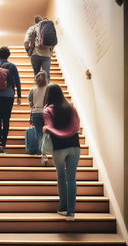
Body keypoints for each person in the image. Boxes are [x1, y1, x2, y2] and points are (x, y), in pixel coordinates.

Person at [43, 84, 80, 221]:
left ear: (48, 94)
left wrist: (48, 129)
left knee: (61, 177)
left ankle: (63, 207)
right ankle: (71, 213)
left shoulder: (48, 110)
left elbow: (49, 126)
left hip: (59, 148)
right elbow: (77, 124)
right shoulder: (71, 107)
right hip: (75, 146)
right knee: (72, 179)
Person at [0, 46, 21, 153]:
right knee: (6, 119)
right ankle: (4, 144)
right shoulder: (13, 66)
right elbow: (18, 81)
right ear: (8, 55)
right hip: (9, 95)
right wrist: (19, 96)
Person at [24, 15, 54, 82]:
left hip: (35, 54)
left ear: (35, 22)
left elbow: (26, 41)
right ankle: (47, 91)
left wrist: (28, 50)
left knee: (37, 75)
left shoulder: (32, 28)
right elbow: (53, 41)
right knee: (46, 75)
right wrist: (51, 50)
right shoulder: (48, 27)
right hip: (47, 54)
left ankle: (37, 91)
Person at [28, 70, 48, 155]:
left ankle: (40, 151)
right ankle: (46, 149)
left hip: (36, 112)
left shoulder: (32, 89)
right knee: (46, 132)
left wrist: (33, 107)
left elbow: (30, 101)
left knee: (39, 132)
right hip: (46, 112)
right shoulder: (48, 89)